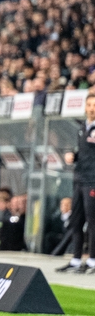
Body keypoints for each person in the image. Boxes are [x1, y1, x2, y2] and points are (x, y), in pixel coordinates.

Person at [56, 93, 95, 273]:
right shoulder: (82, 128)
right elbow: (84, 152)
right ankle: (76, 259)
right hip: (78, 180)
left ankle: (92, 261)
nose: (92, 109)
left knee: (92, 220)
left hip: (92, 180)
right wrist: (74, 156)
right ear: (85, 107)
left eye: (94, 105)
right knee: (76, 220)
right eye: (89, 105)